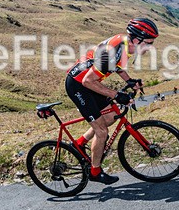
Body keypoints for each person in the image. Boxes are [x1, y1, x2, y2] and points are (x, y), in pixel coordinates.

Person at [65, 18, 158, 184]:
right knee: (101, 132)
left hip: (89, 83)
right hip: (79, 86)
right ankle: (94, 172)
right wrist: (116, 95)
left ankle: (79, 144)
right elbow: (88, 81)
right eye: (149, 43)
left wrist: (129, 81)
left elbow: (117, 65)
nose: (151, 47)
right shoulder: (113, 52)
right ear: (137, 40)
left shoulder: (125, 44)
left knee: (109, 118)